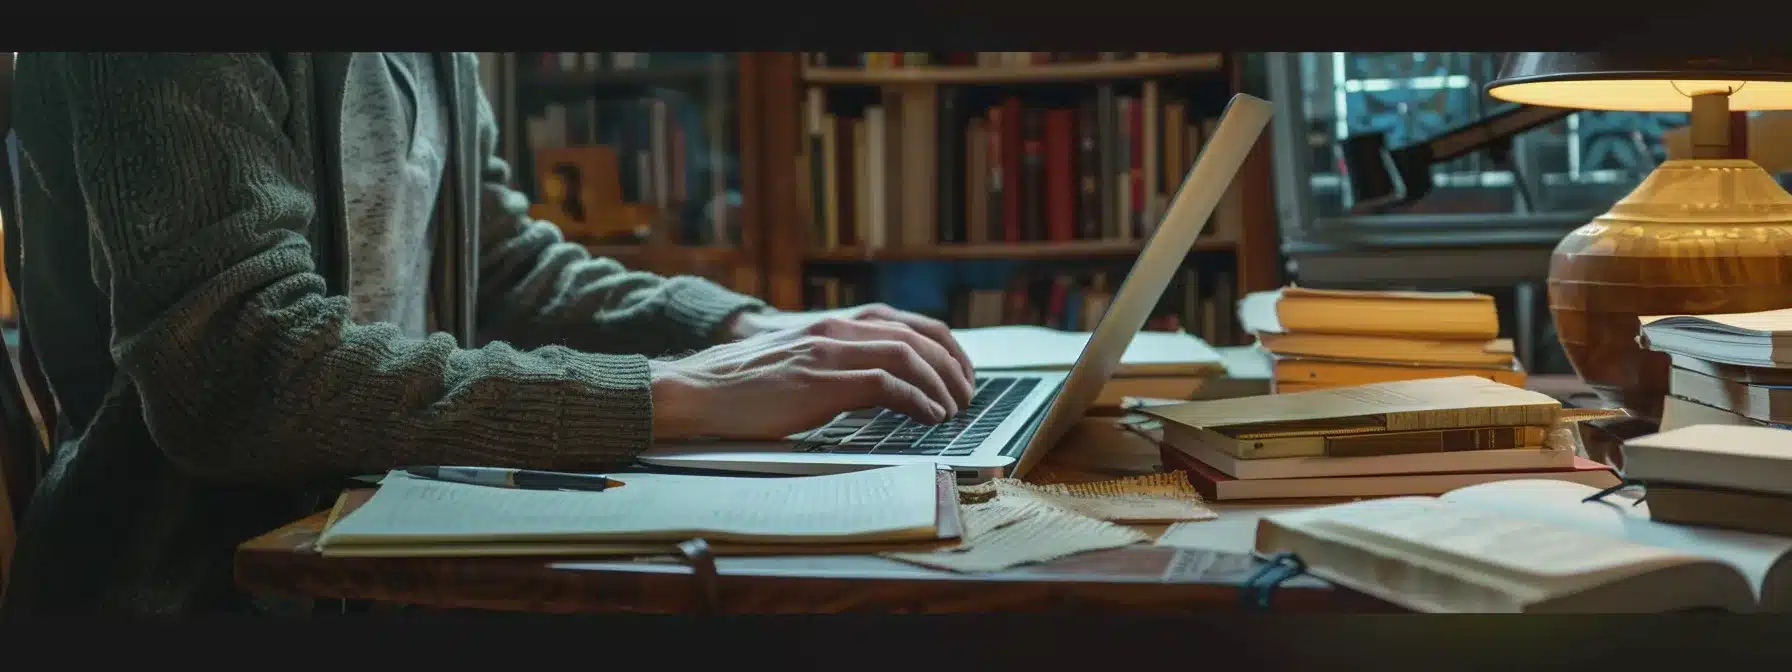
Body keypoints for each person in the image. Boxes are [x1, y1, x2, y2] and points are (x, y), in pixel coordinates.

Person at [0, 52, 973, 616]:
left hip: (398, 557)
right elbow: (239, 369)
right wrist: (668, 395)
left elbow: (503, 264)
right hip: (193, 592)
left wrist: (749, 328)